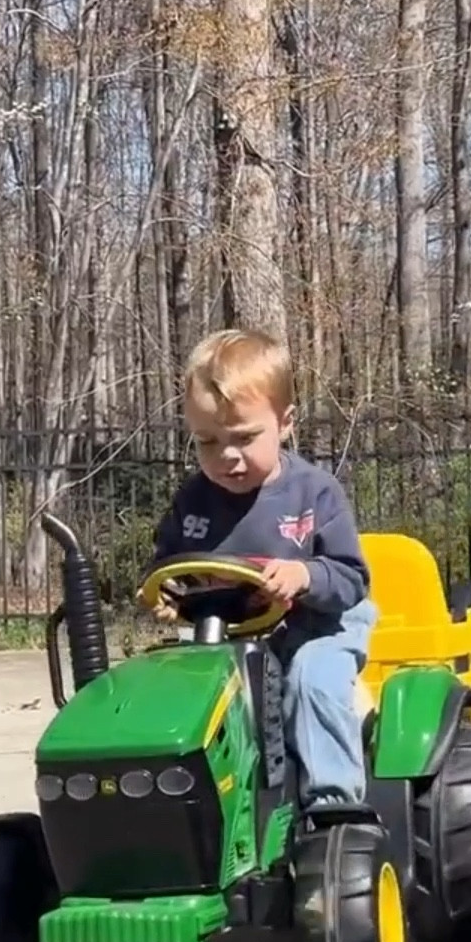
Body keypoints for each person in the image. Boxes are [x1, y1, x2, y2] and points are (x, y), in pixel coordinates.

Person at [137, 328, 378, 814]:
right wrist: (166, 597)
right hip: (226, 634)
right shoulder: (193, 499)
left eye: (245, 438)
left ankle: (334, 807)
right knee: (178, 691)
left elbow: (351, 579)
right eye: (207, 442)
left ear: (285, 422)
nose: (227, 456)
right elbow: (166, 566)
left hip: (317, 627)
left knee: (312, 680)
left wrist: (305, 576)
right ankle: (200, 813)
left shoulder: (315, 492)